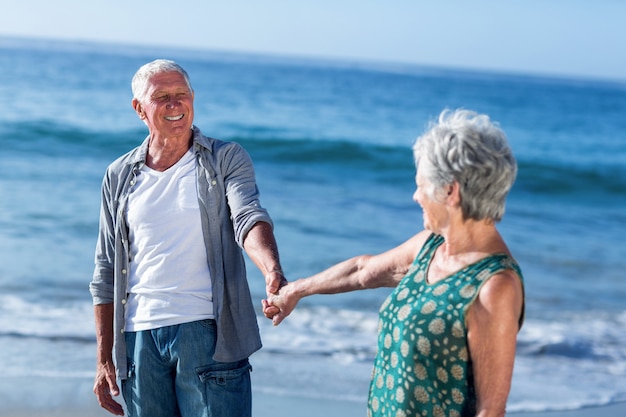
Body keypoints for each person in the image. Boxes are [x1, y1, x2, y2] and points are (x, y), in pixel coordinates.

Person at [264, 109, 525, 417]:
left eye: (421, 185)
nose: (416, 196)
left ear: (450, 191)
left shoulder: (494, 284)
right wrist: (296, 290)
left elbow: (490, 411)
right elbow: (363, 271)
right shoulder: (431, 246)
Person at [89, 59, 286, 417]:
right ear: (139, 109)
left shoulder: (225, 158)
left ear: (193, 98)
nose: (174, 104)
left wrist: (271, 270)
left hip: (208, 335)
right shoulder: (118, 175)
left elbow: (248, 217)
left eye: (181, 94)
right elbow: (105, 271)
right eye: (161, 96)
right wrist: (105, 358)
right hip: (137, 341)